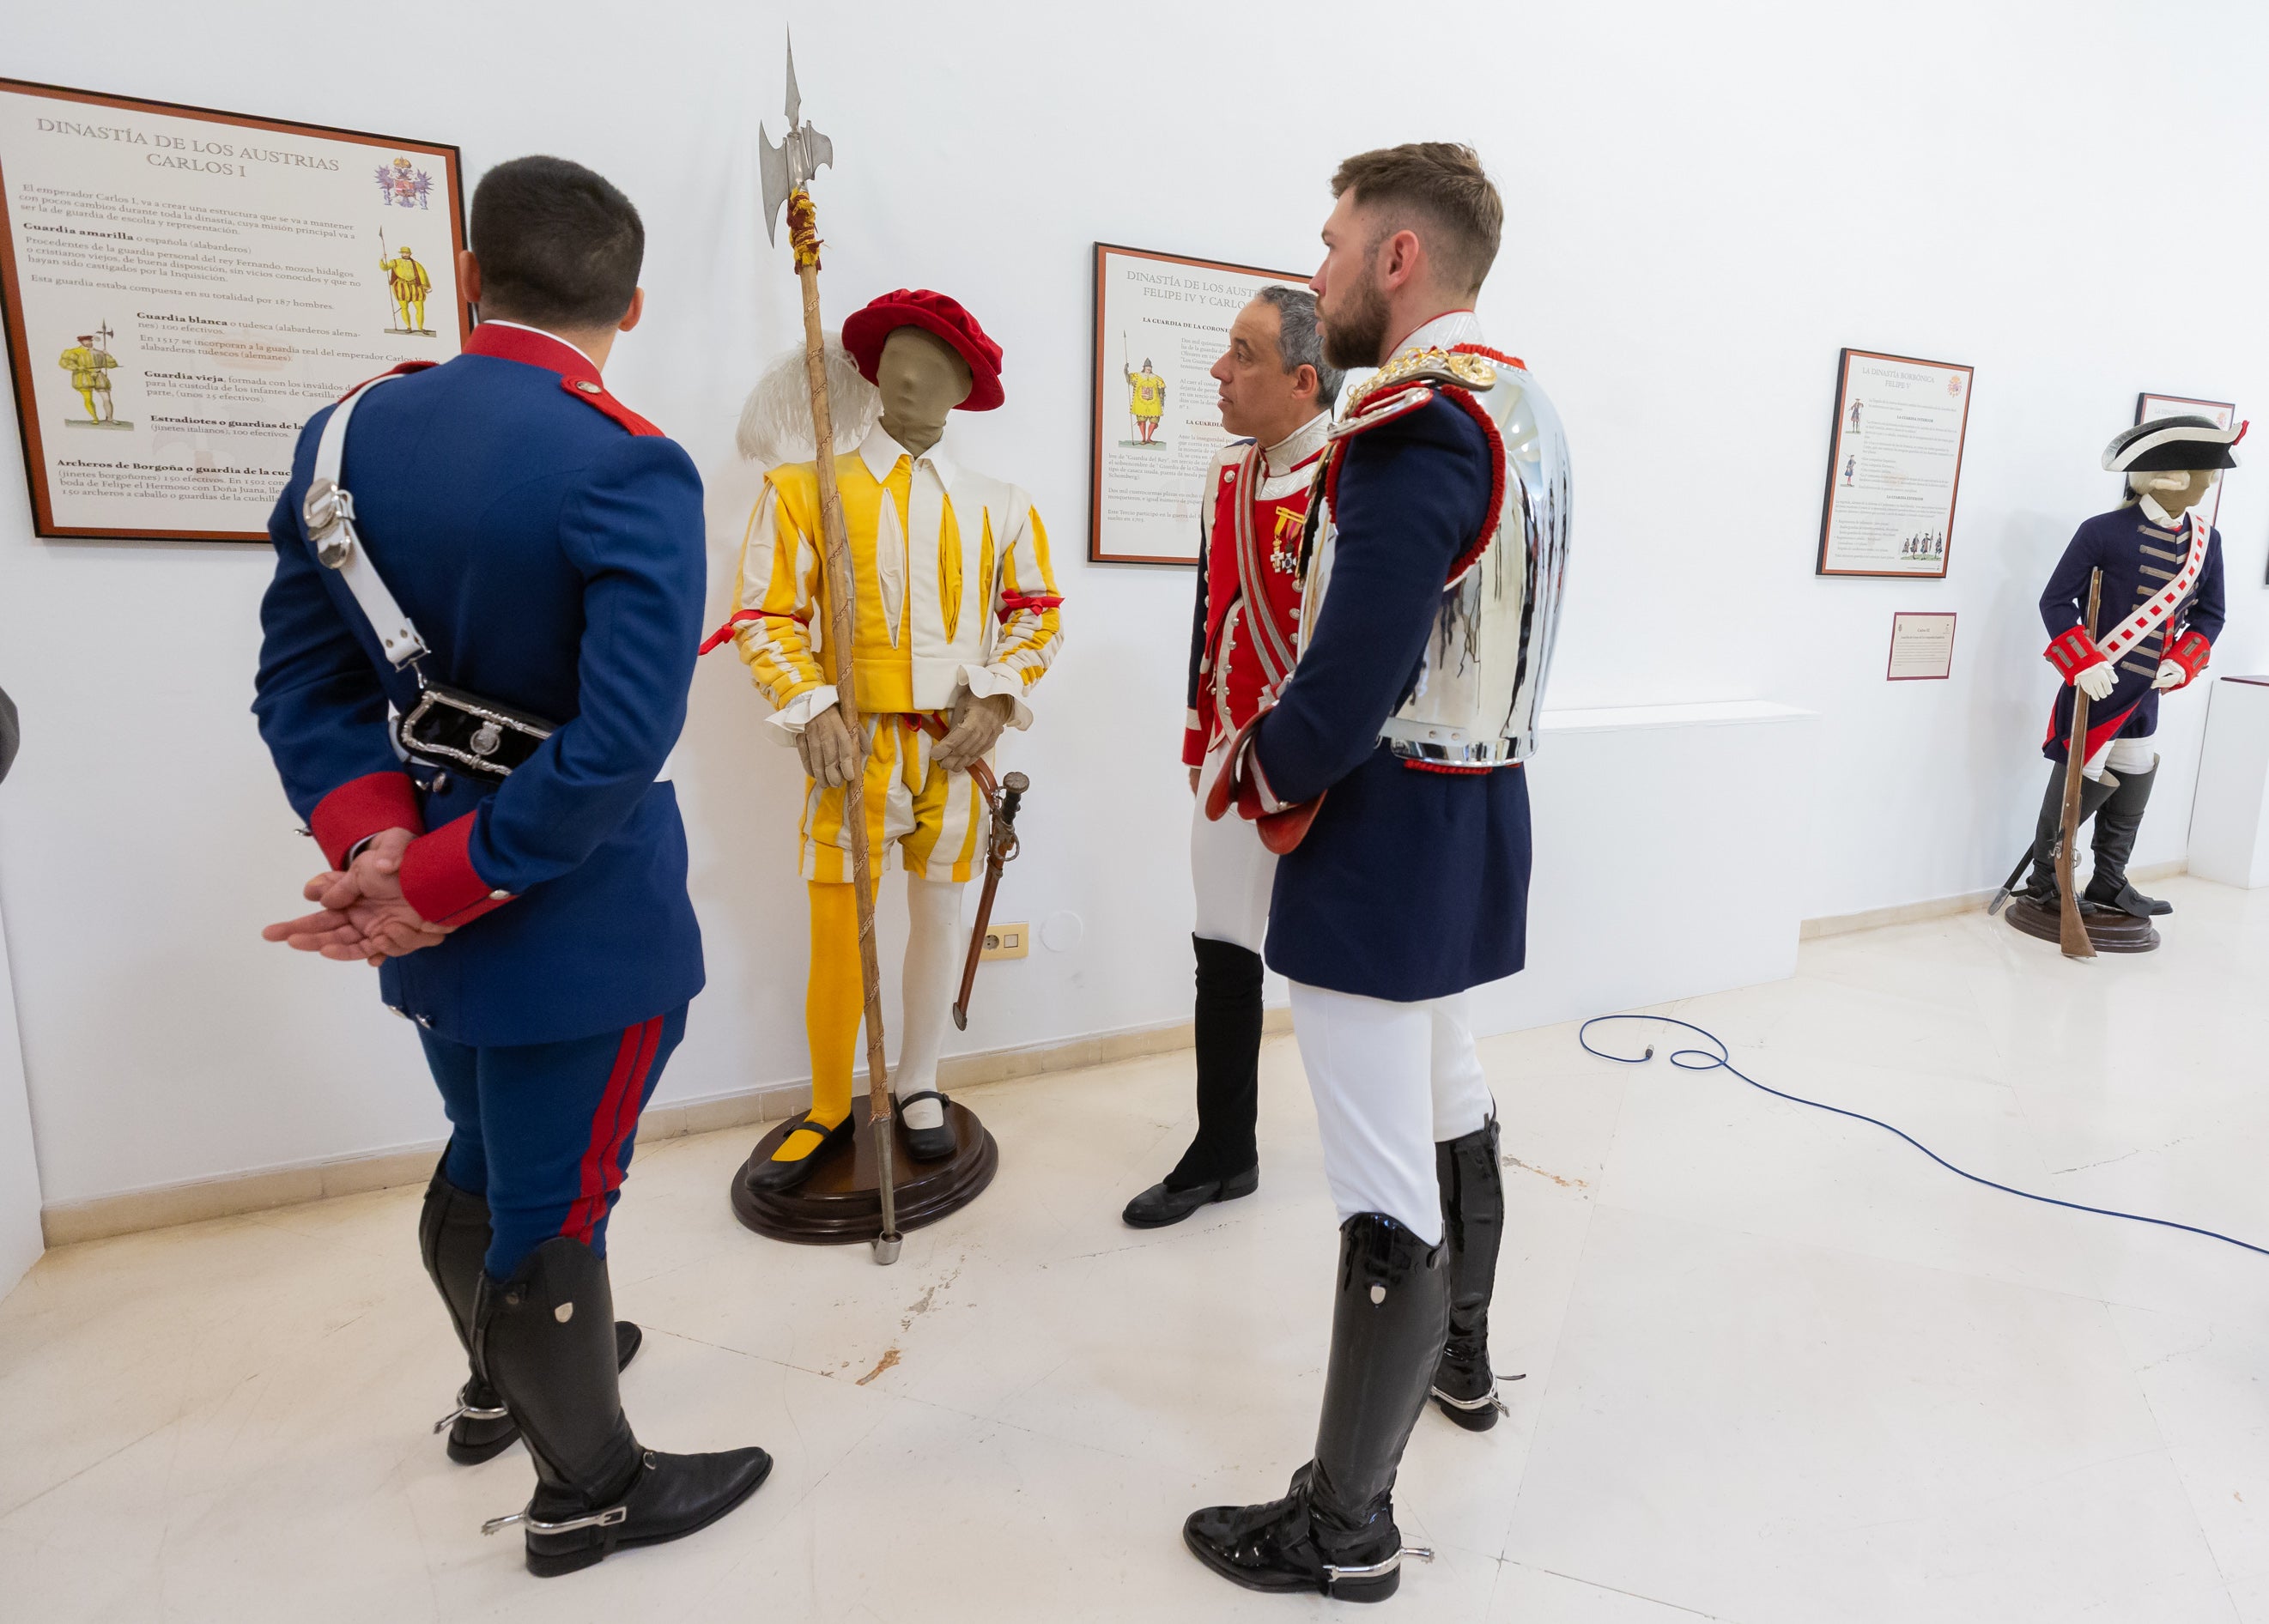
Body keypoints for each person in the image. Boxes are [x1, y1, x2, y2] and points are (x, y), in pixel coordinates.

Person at [253, 154, 768, 1577]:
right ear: (633, 304)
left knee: (485, 1158)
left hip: (419, 893)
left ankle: (500, 1379)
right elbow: (615, 744)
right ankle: (586, 1490)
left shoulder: (349, 434)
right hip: (569, 913)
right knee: (556, 1204)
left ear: (470, 278)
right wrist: (433, 884)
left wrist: (377, 844)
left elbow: (299, 680)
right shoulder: (623, 459)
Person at [1183, 142, 1571, 1602]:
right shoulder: (1519, 404)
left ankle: (1346, 1524)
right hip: (1474, 814)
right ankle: (1458, 1363)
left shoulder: (1411, 419)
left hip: (1385, 823)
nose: (1323, 263)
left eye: (1335, 240)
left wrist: (1269, 767)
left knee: (1376, 1179)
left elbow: (1359, 656)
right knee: (1449, 1083)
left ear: (1395, 259)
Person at [711, 288, 1063, 1191]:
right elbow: (764, 613)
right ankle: (831, 1100)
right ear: (870, 371)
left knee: (939, 919)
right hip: (852, 747)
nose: (913, 378)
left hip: (953, 746)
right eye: (898, 360)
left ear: (963, 387)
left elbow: (1036, 613)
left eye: (935, 366)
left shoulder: (1001, 504)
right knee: (839, 928)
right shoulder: (802, 490)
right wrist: (811, 704)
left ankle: (919, 1083)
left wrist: (995, 695)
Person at [1120, 287, 1341, 1229]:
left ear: (1302, 379)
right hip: (1231, 755)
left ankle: (1379, 1163)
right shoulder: (1224, 475)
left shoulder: (1353, 471)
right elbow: (1211, 616)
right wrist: (1195, 733)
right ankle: (1224, 1149)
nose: (1218, 372)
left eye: (1242, 355)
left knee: (1338, 973)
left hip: (1325, 770)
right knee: (1221, 946)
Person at [2024, 414, 2235, 917]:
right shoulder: (2102, 532)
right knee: (2076, 788)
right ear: (2170, 478)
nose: (2212, 480)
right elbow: (2056, 603)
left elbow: (2211, 615)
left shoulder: (2207, 542)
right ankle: (2045, 884)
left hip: (2147, 693)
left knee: (2133, 783)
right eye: (2206, 471)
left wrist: (2184, 662)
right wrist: (2082, 664)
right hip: (2099, 688)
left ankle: (2109, 881)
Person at [57, 333, 118, 421]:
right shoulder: (74, 352)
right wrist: (78, 367)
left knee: (107, 398)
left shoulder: (99, 352)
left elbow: (112, 365)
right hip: (83, 376)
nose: (89, 342)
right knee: (88, 399)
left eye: (90, 340)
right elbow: (65, 363)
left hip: (99, 376)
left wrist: (107, 355)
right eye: (86, 341)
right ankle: (95, 418)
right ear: (81, 342)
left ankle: (110, 418)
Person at [381, 243, 434, 334]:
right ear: (401, 253)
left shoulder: (416, 264)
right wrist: (382, 259)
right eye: (403, 253)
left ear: (410, 254)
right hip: (401, 287)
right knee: (404, 307)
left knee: (420, 308)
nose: (405, 254)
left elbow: (423, 275)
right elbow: (385, 268)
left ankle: (421, 328)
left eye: (407, 253)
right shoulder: (395, 262)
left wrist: (425, 287)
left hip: (415, 287)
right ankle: (409, 327)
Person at [1126, 354, 1166, 442]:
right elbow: (1129, 378)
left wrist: (1162, 397)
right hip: (1141, 402)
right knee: (1141, 420)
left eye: (1150, 367)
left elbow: (1161, 387)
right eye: (1147, 367)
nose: (1149, 368)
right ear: (1144, 367)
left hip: (1154, 402)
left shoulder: (1156, 377)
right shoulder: (1138, 375)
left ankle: (1149, 438)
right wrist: (1126, 370)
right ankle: (1143, 439)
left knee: (1154, 420)